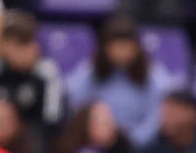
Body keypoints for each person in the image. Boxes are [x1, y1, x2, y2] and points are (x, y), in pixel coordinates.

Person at [67, 13, 172, 146]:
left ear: (137, 48)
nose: (121, 53)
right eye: (116, 47)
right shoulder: (89, 72)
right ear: (105, 48)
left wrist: (133, 141)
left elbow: (157, 116)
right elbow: (77, 107)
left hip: (137, 147)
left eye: (126, 47)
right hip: (96, 143)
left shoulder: (154, 76)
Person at [0, 11, 66, 137]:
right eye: (23, 43)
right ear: (5, 45)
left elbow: (52, 122)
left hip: (29, 147)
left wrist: (15, 126)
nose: (33, 49)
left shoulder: (47, 73)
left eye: (33, 42)